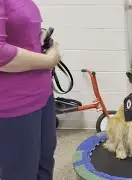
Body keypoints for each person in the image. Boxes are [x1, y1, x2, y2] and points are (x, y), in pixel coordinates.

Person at [0, 0, 61, 179]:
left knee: (44, 164)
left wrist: (38, 35)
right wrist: (49, 61)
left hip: (42, 95)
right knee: (21, 172)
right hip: (14, 104)